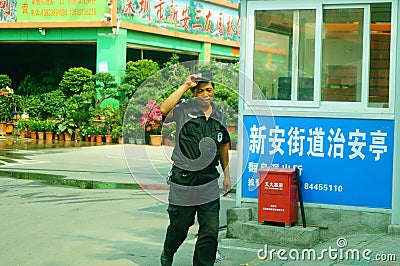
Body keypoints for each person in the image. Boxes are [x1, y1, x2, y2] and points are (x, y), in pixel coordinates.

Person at [159, 69, 231, 266]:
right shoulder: (184, 109)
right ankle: (168, 251)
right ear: (193, 93)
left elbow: (224, 145)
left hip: (208, 179)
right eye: (200, 91)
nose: (206, 95)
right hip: (183, 178)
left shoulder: (219, 114)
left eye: (209, 90)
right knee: (180, 225)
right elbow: (164, 110)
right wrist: (185, 85)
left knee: (210, 229)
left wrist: (226, 175)